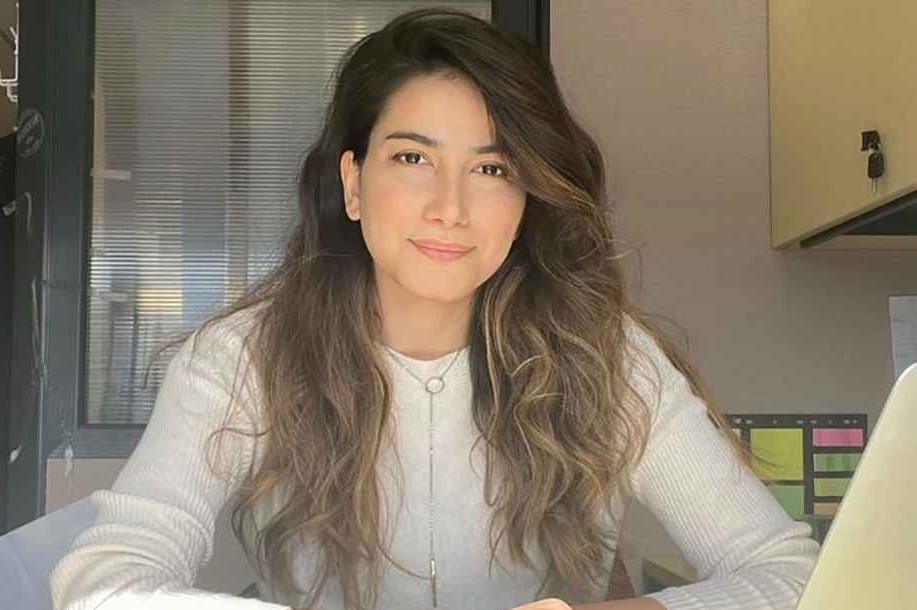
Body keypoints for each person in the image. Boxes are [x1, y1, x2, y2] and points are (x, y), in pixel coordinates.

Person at [50, 8, 818, 610]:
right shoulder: (242, 359)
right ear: (352, 183)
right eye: (412, 158)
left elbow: (788, 576)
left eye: (491, 167)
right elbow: (103, 581)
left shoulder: (606, 357)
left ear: (526, 196)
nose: (450, 207)